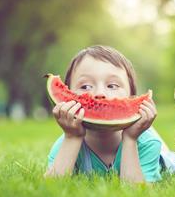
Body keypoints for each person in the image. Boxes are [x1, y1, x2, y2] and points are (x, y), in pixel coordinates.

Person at [45, 45, 161, 183]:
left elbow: (137, 194)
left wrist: (130, 139)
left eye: (112, 85)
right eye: (85, 86)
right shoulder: (64, 144)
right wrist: (72, 138)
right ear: (69, 96)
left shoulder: (147, 143)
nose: (100, 93)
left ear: (132, 96)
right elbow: (51, 188)